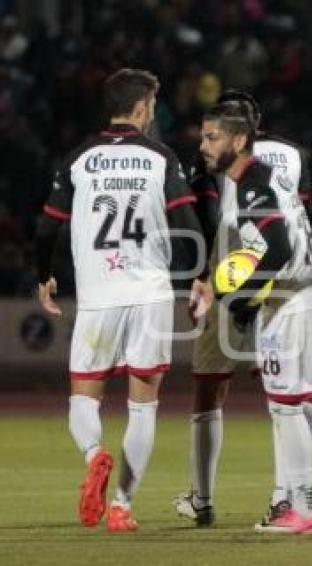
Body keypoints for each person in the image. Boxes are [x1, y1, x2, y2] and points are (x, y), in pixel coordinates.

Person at [174, 91, 312, 528]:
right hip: (295, 290)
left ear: (239, 138)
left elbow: (274, 246)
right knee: (285, 401)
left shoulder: (252, 182)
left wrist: (239, 296)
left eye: (211, 137)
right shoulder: (276, 167)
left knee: (284, 404)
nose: (203, 146)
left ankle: (300, 508)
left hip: (290, 295)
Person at [35, 68, 204, 531]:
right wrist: (203, 276)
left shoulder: (79, 158)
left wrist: (43, 275)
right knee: (143, 404)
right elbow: (186, 220)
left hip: (97, 297)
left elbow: (48, 225)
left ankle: (95, 454)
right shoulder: (160, 157)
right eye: (152, 105)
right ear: (142, 108)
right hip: (148, 293)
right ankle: (123, 507)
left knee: (82, 400)